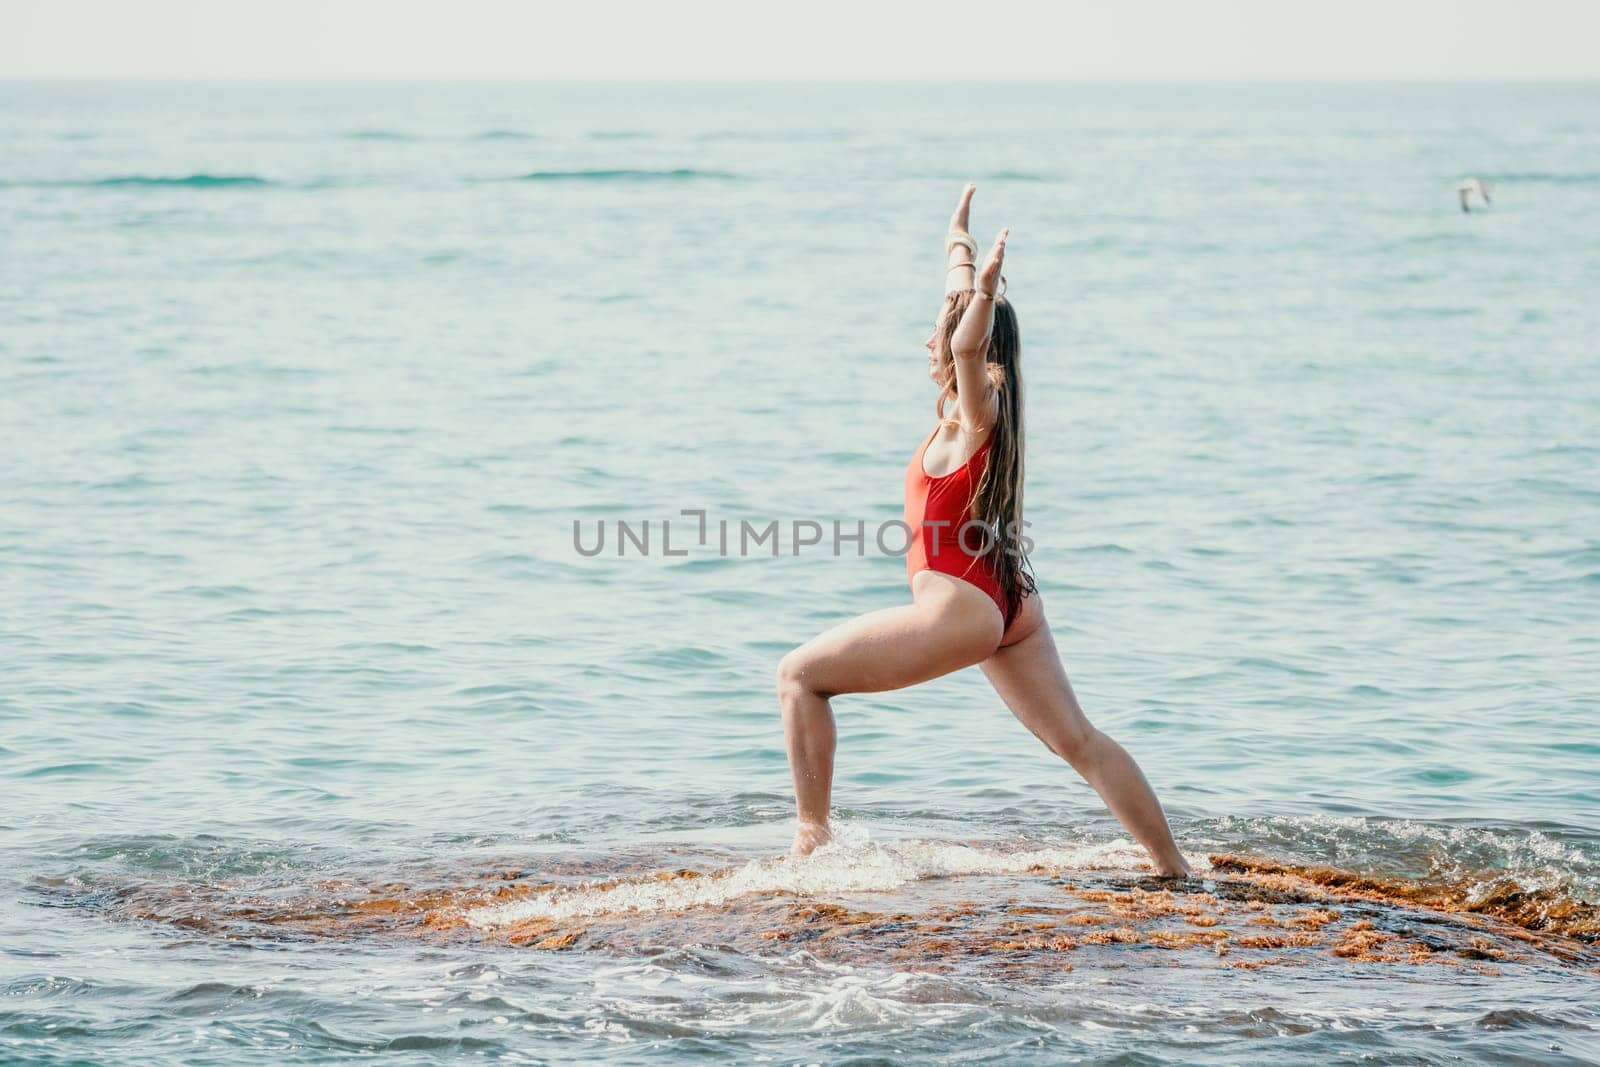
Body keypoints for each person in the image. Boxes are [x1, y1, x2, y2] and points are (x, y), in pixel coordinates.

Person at [776, 184, 1192, 878]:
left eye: (939, 330)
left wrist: (984, 289)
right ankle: (1174, 867)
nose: (927, 340)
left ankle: (810, 844)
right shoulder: (973, 416)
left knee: (797, 677)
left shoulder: (981, 411)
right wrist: (958, 246)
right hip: (1007, 600)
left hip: (963, 608)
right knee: (1079, 742)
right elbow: (962, 324)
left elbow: (967, 347)